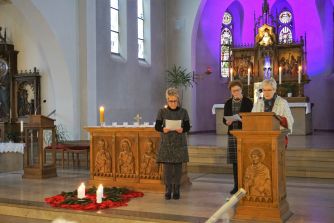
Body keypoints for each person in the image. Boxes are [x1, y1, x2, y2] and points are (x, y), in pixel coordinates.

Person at [155, 87, 190, 200]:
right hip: (167, 143)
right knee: (168, 169)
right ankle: (168, 189)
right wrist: (163, 129)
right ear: (167, 100)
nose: (173, 103)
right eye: (170, 101)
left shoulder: (183, 112)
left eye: (175, 101)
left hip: (179, 143)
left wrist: (182, 129)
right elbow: (157, 126)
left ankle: (176, 189)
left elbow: (187, 126)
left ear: (178, 100)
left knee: (178, 168)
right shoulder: (162, 112)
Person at [223, 80, 253, 195]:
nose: (235, 93)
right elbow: (224, 119)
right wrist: (227, 122)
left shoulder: (248, 102)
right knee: (235, 162)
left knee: (245, 161)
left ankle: (246, 185)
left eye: (237, 90)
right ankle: (236, 186)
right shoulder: (228, 103)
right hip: (232, 134)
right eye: (233, 91)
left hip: (244, 135)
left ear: (241, 90)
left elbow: (251, 117)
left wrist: (242, 119)